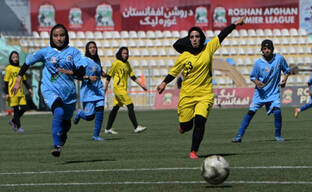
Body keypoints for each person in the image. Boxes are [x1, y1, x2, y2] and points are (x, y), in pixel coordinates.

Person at [157, 16, 245, 159]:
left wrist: (234, 24)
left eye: (197, 36)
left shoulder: (208, 49)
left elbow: (222, 35)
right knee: (187, 126)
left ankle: (194, 151)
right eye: (192, 37)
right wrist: (164, 83)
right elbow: (173, 72)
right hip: (187, 95)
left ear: (201, 38)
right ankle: (183, 127)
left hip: (205, 95)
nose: (195, 39)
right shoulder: (184, 56)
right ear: (189, 39)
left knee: (200, 121)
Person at [11, 24, 85, 157]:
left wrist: (74, 72)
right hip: (49, 89)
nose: (59, 38)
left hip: (69, 93)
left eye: (62, 35)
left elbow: (81, 71)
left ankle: (62, 135)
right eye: (56, 35)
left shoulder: (74, 52)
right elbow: (27, 63)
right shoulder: (45, 52)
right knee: (59, 111)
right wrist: (18, 79)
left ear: (66, 36)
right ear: (51, 37)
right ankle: (56, 146)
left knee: (66, 123)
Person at [232, 39, 290, 143]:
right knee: (251, 112)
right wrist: (257, 82)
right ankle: (239, 135)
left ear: (272, 49)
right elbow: (253, 77)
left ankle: (278, 135)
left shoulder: (279, 59)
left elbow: (287, 71)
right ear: (261, 50)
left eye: (269, 48)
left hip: (273, 93)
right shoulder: (258, 63)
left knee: (277, 112)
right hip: (260, 93)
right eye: (264, 48)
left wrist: (285, 80)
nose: (267, 50)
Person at [104, 47, 147, 134]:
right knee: (130, 105)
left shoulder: (127, 64)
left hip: (123, 89)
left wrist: (142, 85)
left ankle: (108, 128)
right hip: (118, 88)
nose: (125, 55)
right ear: (120, 54)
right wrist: (105, 87)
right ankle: (136, 127)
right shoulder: (116, 63)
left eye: (126, 53)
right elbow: (109, 76)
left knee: (115, 108)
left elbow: (132, 76)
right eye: (123, 53)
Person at [71, 41, 105, 141]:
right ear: (87, 49)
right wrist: (88, 77)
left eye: (94, 47)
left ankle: (96, 135)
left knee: (100, 112)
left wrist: (103, 73)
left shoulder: (97, 60)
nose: (93, 49)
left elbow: (98, 70)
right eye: (90, 47)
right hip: (88, 92)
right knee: (90, 117)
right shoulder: (84, 60)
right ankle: (79, 113)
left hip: (98, 90)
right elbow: (76, 75)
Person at [3, 51, 33, 133]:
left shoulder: (20, 68)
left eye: (16, 57)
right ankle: (19, 127)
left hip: (21, 92)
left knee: (24, 108)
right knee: (16, 110)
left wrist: (29, 88)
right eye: (13, 57)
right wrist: (6, 93)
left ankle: (13, 121)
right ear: (11, 59)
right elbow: (5, 82)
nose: (15, 58)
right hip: (12, 92)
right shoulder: (8, 68)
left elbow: (24, 80)